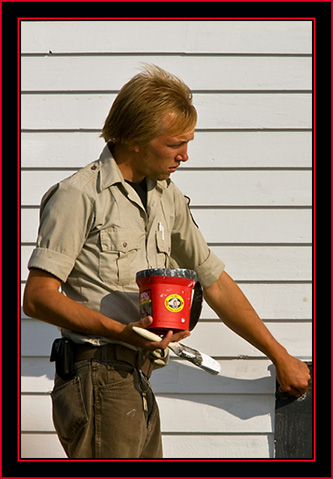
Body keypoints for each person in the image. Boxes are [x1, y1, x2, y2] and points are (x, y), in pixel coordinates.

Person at [23, 64, 310, 459]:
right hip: (98, 377)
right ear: (137, 138)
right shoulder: (79, 195)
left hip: (136, 377)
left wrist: (278, 355)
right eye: (176, 143)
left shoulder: (164, 195)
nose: (186, 155)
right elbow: (37, 298)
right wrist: (121, 331)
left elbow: (215, 281)